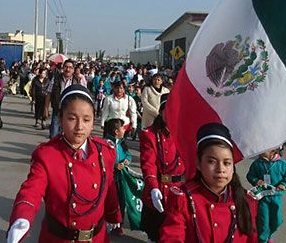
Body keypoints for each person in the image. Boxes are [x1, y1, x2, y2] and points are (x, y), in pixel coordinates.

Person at [6, 84, 122, 243]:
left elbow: (109, 187)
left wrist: (113, 214)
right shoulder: (48, 155)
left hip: (97, 238)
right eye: (72, 118)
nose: (80, 127)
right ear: (60, 119)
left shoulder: (105, 152)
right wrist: (22, 218)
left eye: (86, 119)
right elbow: (31, 190)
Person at [160, 123, 258, 242]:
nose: (220, 169)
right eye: (212, 162)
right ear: (198, 163)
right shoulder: (184, 200)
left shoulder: (246, 200)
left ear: (233, 167)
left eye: (227, 163)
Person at [139, 94, 186, 242]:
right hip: (159, 188)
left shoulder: (184, 132)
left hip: (180, 190)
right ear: (161, 111)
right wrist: (153, 187)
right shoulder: (150, 134)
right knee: (156, 234)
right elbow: (149, 163)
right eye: (168, 109)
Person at [246, 148, 286, 243]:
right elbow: (250, 176)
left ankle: (269, 235)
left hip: (276, 197)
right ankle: (262, 240)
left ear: (273, 150)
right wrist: (256, 181)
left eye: (263, 149)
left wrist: (284, 184)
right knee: (263, 221)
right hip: (263, 197)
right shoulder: (257, 163)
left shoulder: (281, 163)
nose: (260, 151)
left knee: (277, 221)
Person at [104, 118, 132, 236]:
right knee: (108, 201)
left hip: (121, 179)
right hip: (109, 180)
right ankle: (106, 224)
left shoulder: (122, 143)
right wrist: (114, 165)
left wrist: (127, 160)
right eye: (122, 127)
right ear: (116, 131)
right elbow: (103, 160)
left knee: (121, 202)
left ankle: (118, 224)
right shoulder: (105, 144)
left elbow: (128, 155)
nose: (124, 130)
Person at [44, 59, 81, 139]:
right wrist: (46, 109)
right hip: (57, 111)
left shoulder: (76, 81)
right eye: (66, 67)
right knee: (54, 135)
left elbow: (80, 98)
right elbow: (49, 93)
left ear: (73, 70)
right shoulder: (56, 79)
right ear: (62, 68)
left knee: (67, 136)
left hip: (70, 112)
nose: (68, 69)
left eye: (70, 67)